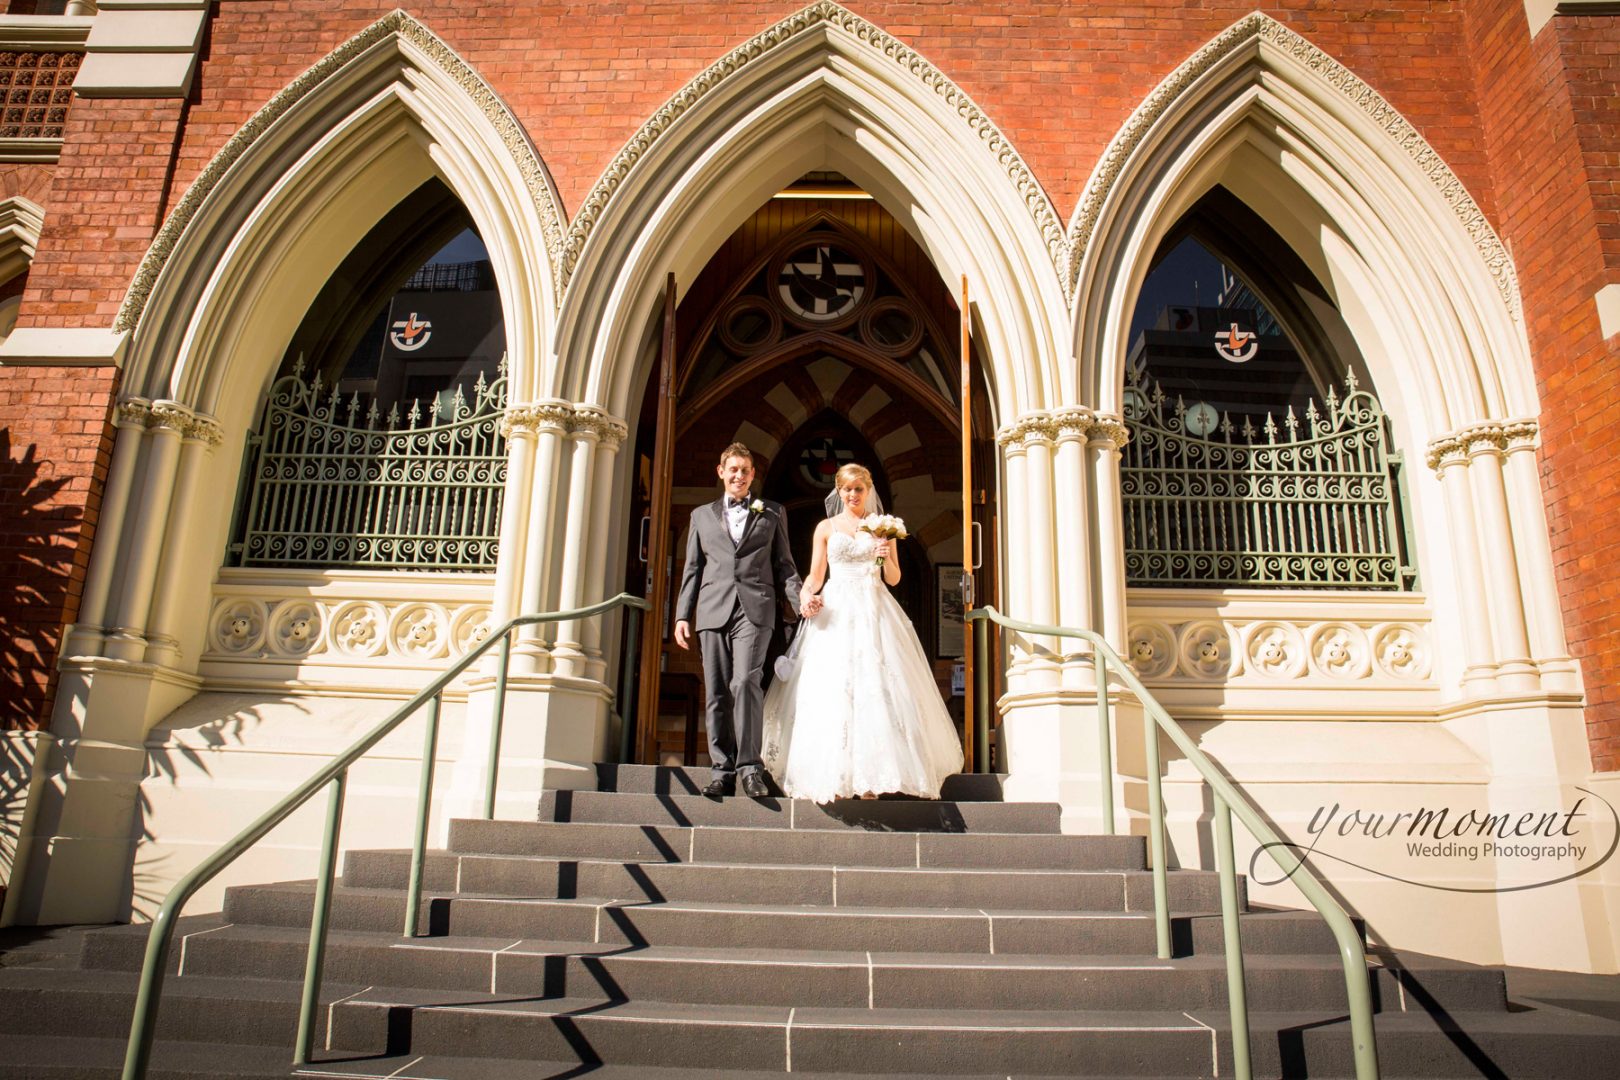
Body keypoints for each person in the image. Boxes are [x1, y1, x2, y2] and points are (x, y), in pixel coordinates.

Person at [762, 463, 963, 802]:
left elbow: (894, 579)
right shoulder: (826, 528)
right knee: (834, 689)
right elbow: (815, 574)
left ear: (868, 491)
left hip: (873, 609)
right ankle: (834, 777)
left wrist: (885, 557)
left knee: (876, 688)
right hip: (837, 609)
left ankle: (870, 778)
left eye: (859, 489)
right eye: (847, 489)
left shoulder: (882, 528)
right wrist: (806, 594)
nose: (853, 495)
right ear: (838, 492)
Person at [674, 443, 803, 798]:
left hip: (755, 610)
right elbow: (692, 570)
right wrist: (682, 614)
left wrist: (802, 601)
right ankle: (722, 769)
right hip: (712, 610)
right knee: (717, 691)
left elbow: (785, 566)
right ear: (721, 471)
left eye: (745, 470)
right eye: (733, 469)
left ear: (752, 475)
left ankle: (750, 767)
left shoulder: (773, 512)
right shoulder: (701, 516)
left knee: (745, 682)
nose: (739, 476)